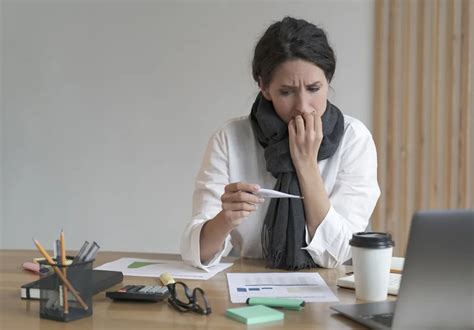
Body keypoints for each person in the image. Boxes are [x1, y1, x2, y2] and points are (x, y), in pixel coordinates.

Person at [180, 16, 380, 270]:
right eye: (286, 92)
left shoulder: (354, 139)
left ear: (328, 80)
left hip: (331, 290)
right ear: (264, 88)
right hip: (252, 287)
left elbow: (337, 254)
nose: (303, 106)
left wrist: (306, 163)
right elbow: (196, 253)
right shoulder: (231, 138)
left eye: (314, 88)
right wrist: (225, 219)